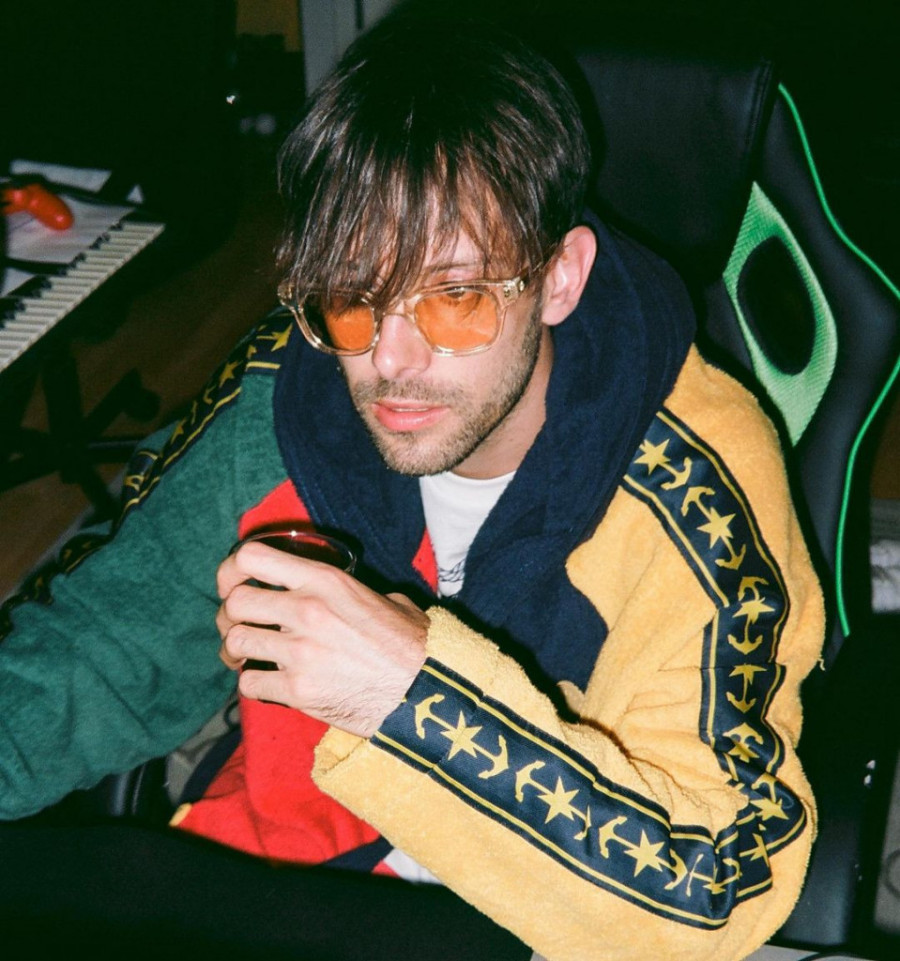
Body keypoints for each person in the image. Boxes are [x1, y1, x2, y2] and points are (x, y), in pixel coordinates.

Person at [0, 11, 824, 961]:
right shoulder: (292, 396)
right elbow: (102, 651)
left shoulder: (695, 487)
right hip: (290, 879)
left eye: (457, 298)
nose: (389, 362)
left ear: (560, 279)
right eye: (354, 295)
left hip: (553, 920)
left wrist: (413, 694)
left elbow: (711, 892)